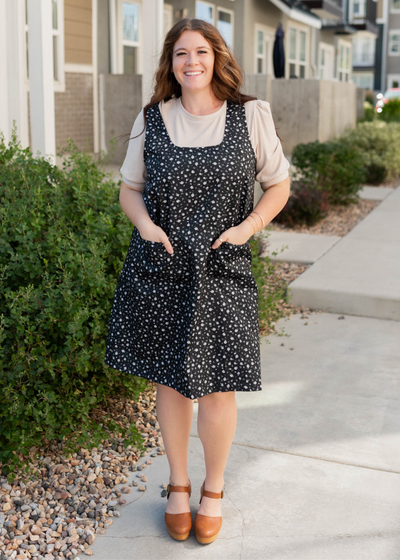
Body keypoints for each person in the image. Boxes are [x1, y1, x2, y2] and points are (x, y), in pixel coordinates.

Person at [104, 17, 291, 545]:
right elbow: (129, 190)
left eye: (201, 52)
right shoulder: (152, 119)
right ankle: (179, 485)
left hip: (222, 268)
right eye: (181, 54)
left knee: (218, 386)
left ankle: (214, 487)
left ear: (217, 58)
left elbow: (278, 184)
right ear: (170, 63)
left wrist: (247, 228)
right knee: (170, 382)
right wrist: (146, 226)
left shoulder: (250, 115)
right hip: (163, 268)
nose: (192, 62)